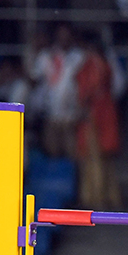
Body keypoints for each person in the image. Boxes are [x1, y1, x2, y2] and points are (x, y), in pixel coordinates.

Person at [73, 31, 121, 211]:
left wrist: (82, 110)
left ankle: (95, 198)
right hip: (104, 111)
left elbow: (90, 89)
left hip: (96, 115)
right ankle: (105, 196)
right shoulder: (103, 63)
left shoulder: (94, 63)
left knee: (94, 157)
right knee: (100, 158)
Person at [32, 21, 84, 160]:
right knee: (52, 153)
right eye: (61, 35)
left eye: (66, 35)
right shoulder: (47, 56)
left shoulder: (80, 57)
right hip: (51, 114)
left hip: (72, 116)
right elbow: (35, 79)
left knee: (72, 155)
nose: (64, 38)